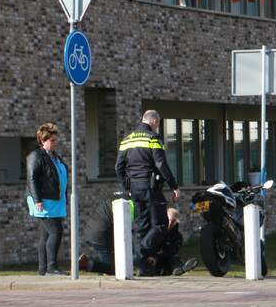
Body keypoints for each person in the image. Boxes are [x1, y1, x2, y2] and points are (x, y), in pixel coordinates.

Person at [115, 110, 180, 264]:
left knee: (140, 227)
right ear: (154, 122)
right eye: (158, 124)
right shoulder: (153, 138)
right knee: (161, 224)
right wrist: (174, 186)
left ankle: (142, 267)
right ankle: (139, 257)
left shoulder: (127, 140)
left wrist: (127, 187)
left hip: (135, 189)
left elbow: (119, 167)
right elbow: (161, 163)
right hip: (151, 186)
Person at [79, 200, 196, 276]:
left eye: (173, 221)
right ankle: (88, 264)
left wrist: (156, 256)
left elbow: (172, 249)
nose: (170, 223)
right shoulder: (153, 227)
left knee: (172, 257)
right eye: (168, 220)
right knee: (115, 269)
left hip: (157, 258)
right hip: (142, 255)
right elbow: (143, 241)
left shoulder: (175, 235)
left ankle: (178, 268)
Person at [25, 122, 69, 276]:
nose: (55, 143)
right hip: (43, 202)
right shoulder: (35, 156)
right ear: (42, 140)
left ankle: (43, 269)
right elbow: (32, 179)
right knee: (56, 231)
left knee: (45, 234)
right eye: (52, 140)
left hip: (54, 202)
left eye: (56, 140)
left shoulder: (55, 157)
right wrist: (37, 200)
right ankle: (51, 267)